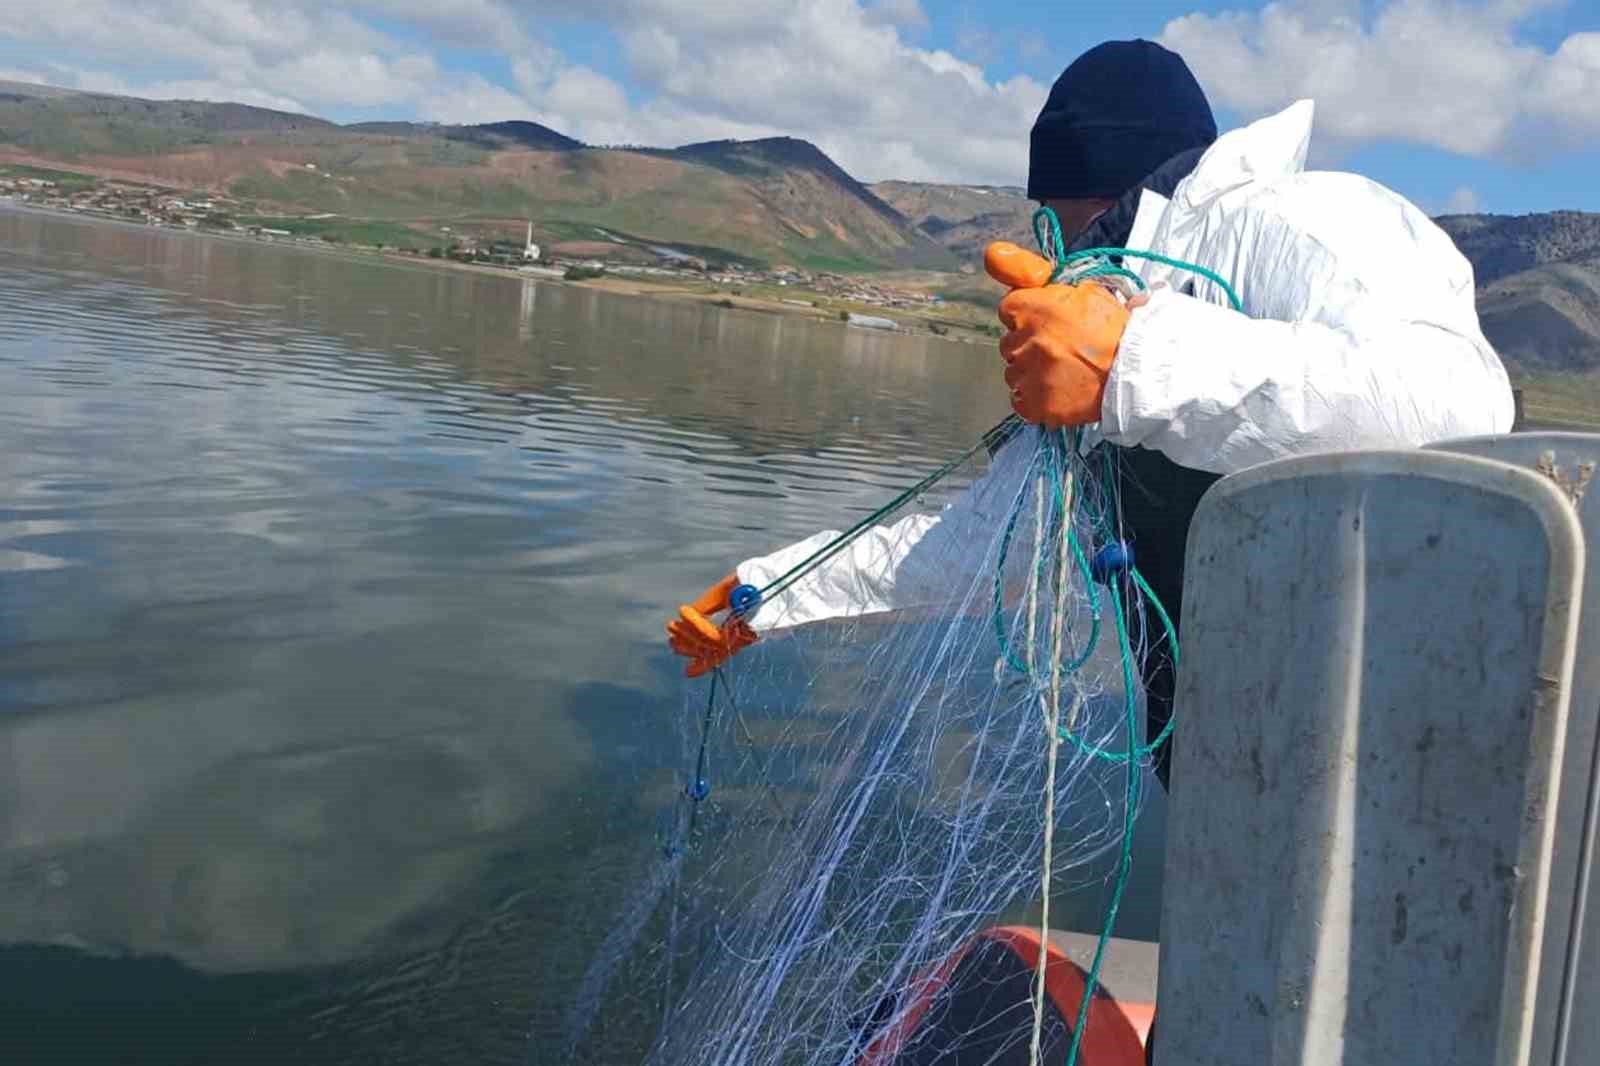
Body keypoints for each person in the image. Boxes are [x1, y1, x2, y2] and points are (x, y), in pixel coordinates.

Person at [666, 39, 1515, 791]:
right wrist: (769, 596)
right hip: (1231, 779)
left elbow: (1451, 406)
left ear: (1086, 194)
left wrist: (1132, 363)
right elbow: (988, 556)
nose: (1052, 244)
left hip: (1402, 779)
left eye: (1051, 217)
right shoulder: (1109, 310)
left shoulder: (1299, 219)